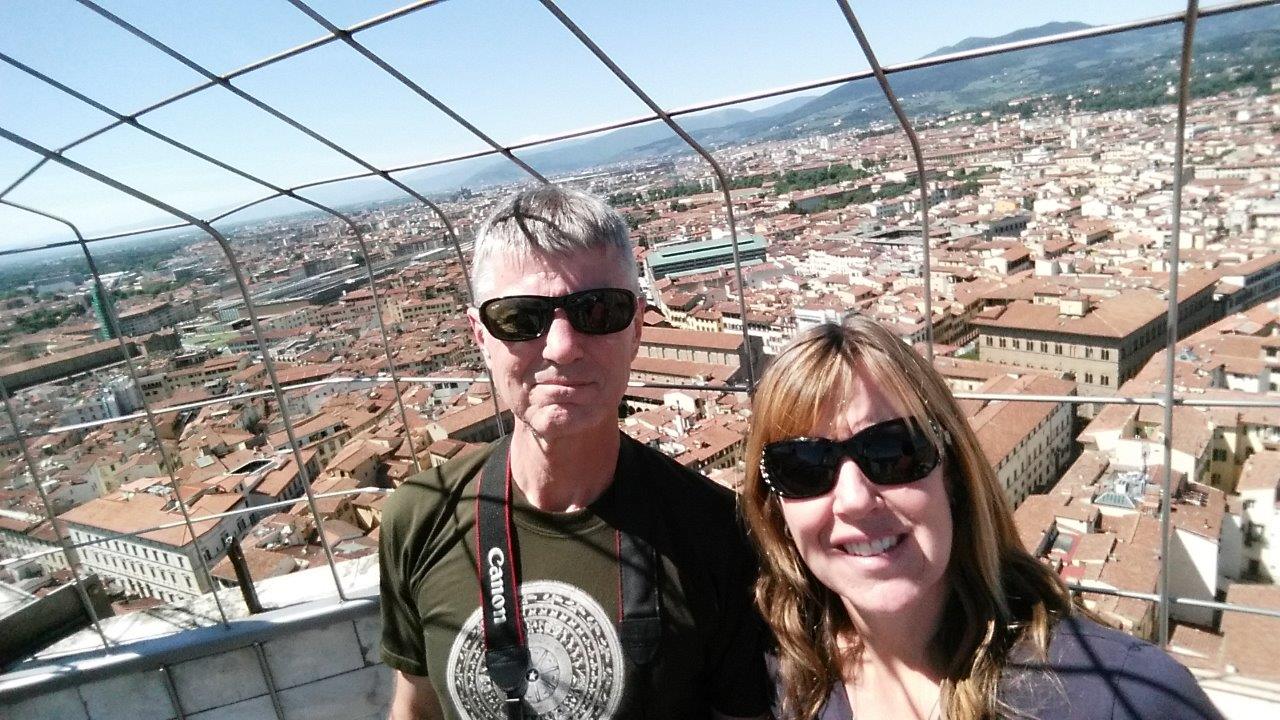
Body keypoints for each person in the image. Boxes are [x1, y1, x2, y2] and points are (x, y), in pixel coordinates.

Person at [379, 185, 771, 720]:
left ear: (636, 328)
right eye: (520, 318)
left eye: (598, 310)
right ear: (480, 335)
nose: (562, 347)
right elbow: (415, 708)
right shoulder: (419, 516)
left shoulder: (717, 532)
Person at [739, 319, 1223, 720]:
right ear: (775, 508)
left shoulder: (1124, 696)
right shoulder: (785, 673)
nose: (852, 500)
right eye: (802, 468)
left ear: (954, 474)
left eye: (893, 451)